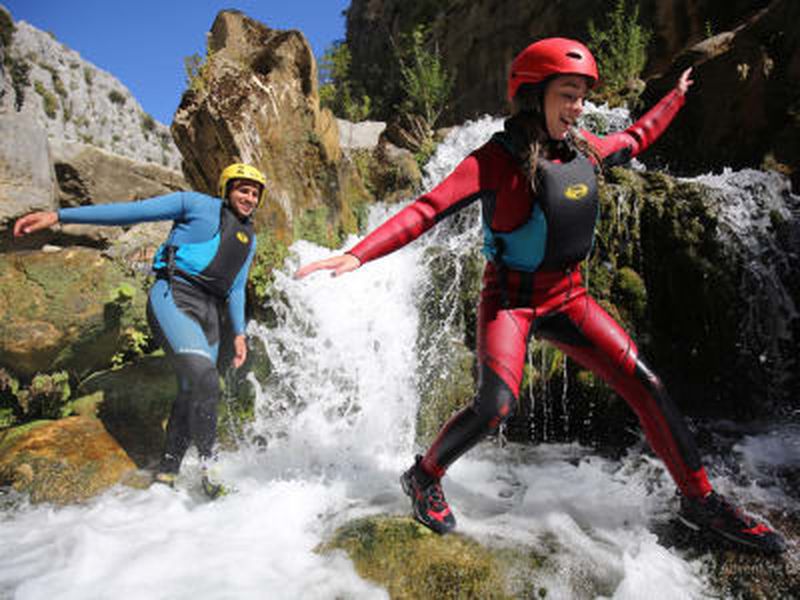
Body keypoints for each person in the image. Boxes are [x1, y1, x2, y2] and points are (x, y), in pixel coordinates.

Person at [294, 38, 786, 553]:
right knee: (496, 405)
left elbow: (637, 137)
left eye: (581, 97)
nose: (577, 107)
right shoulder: (493, 160)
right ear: (534, 95)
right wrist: (358, 254)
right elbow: (426, 209)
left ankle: (700, 503)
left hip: (569, 297)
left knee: (648, 383)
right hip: (510, 300)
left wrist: (677, 96)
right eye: (567, 94)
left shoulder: (586, 149)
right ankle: (423, 475)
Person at [14, 162, 266, 498]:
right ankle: (212, 467)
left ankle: (167, 473)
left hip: (210, 315)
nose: (248, 198)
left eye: (254, 193)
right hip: (175, 296)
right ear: (226, 189)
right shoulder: (194, 204)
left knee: (193, 389)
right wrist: (59, 216)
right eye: (242, 189)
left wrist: (238, 334)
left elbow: (236, 287)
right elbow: (131, 212)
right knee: (206, 377)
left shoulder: (249, 238)